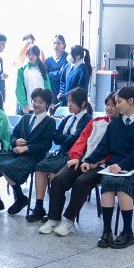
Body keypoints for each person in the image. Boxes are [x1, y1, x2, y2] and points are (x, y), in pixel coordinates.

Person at [40, 93, 120, 235]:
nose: (109, 108)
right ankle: (53, 218)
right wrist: (76, 157)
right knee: (58, 179)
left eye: (113, 105)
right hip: (83, 161)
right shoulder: (96, 122)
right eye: (107, 105)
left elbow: (115, 149)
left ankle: (68, 221)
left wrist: (100, 161)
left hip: (102, 166)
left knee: (81, 182)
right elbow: (82, 140)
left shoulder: (121, 126)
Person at [95, 89, 134, 248]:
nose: (117, 106)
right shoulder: (115, 123)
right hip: (116, 168)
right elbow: (104, 146)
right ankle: (107, 231)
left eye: (119, 102)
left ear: (131, 101)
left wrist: (122, 165)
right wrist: (89, 160)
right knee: (107, 183)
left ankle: (128, 232)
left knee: (122, 186)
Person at [0, 88, 56, 215]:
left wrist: (27, 148)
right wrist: (16, 141)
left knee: (7, 168)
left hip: (34, 156)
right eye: (34, 101)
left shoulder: (50, 121)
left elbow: (46, 144)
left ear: (47, 104)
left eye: (40, 102)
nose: (36, 104)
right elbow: (13, 135)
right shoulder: (26, 118)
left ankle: (20, 198)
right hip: (16, 152)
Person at [27, 88, 92, 223]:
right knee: (40, 167)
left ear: (83, 103)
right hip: (62, 153)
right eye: (68, 101)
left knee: (53, 171)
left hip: (76, 157)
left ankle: (53, 211)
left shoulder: (87, 119)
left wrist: (64, 138)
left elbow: (76, 139)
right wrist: (66, 138)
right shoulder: (69, 118)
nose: (69, 105)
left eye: (72, 102)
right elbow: (55, 137)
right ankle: (39, 207)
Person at [15, 46, 51, 114]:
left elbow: (47, 86)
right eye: (29, 54)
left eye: (33, 54)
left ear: (38, 55)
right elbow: (19, 89)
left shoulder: (42, 69)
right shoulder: (22, 69)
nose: (30, 56)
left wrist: (49, 101)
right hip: (28, 107)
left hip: (42, 105)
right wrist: (24, 105)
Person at [45, 34, 70, 101]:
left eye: (59, 43)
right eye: (54, 43)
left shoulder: (68, 57)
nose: (56, 45)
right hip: (51, 91)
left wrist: (49, 74)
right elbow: (44, 76)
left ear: (64, 45)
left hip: (63, 91)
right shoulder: (48, 59)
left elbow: (62, 74)